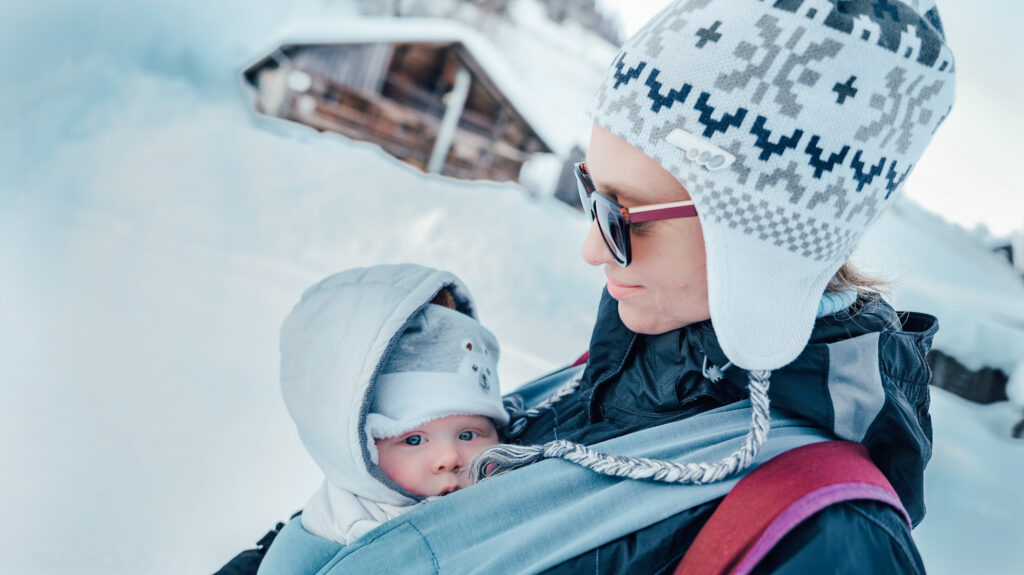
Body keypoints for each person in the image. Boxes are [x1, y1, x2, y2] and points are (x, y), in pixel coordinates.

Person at [222, 1, 955, 573]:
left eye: (620, 214)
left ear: (760, 234)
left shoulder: (828, 542)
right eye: (587, 194)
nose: (588, 246)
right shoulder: (609, 379)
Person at [276, 264, 507, 545]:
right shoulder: (346, 528)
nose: (449, 459)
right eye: (413, 440)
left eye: (468, 434)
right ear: (359, 450)